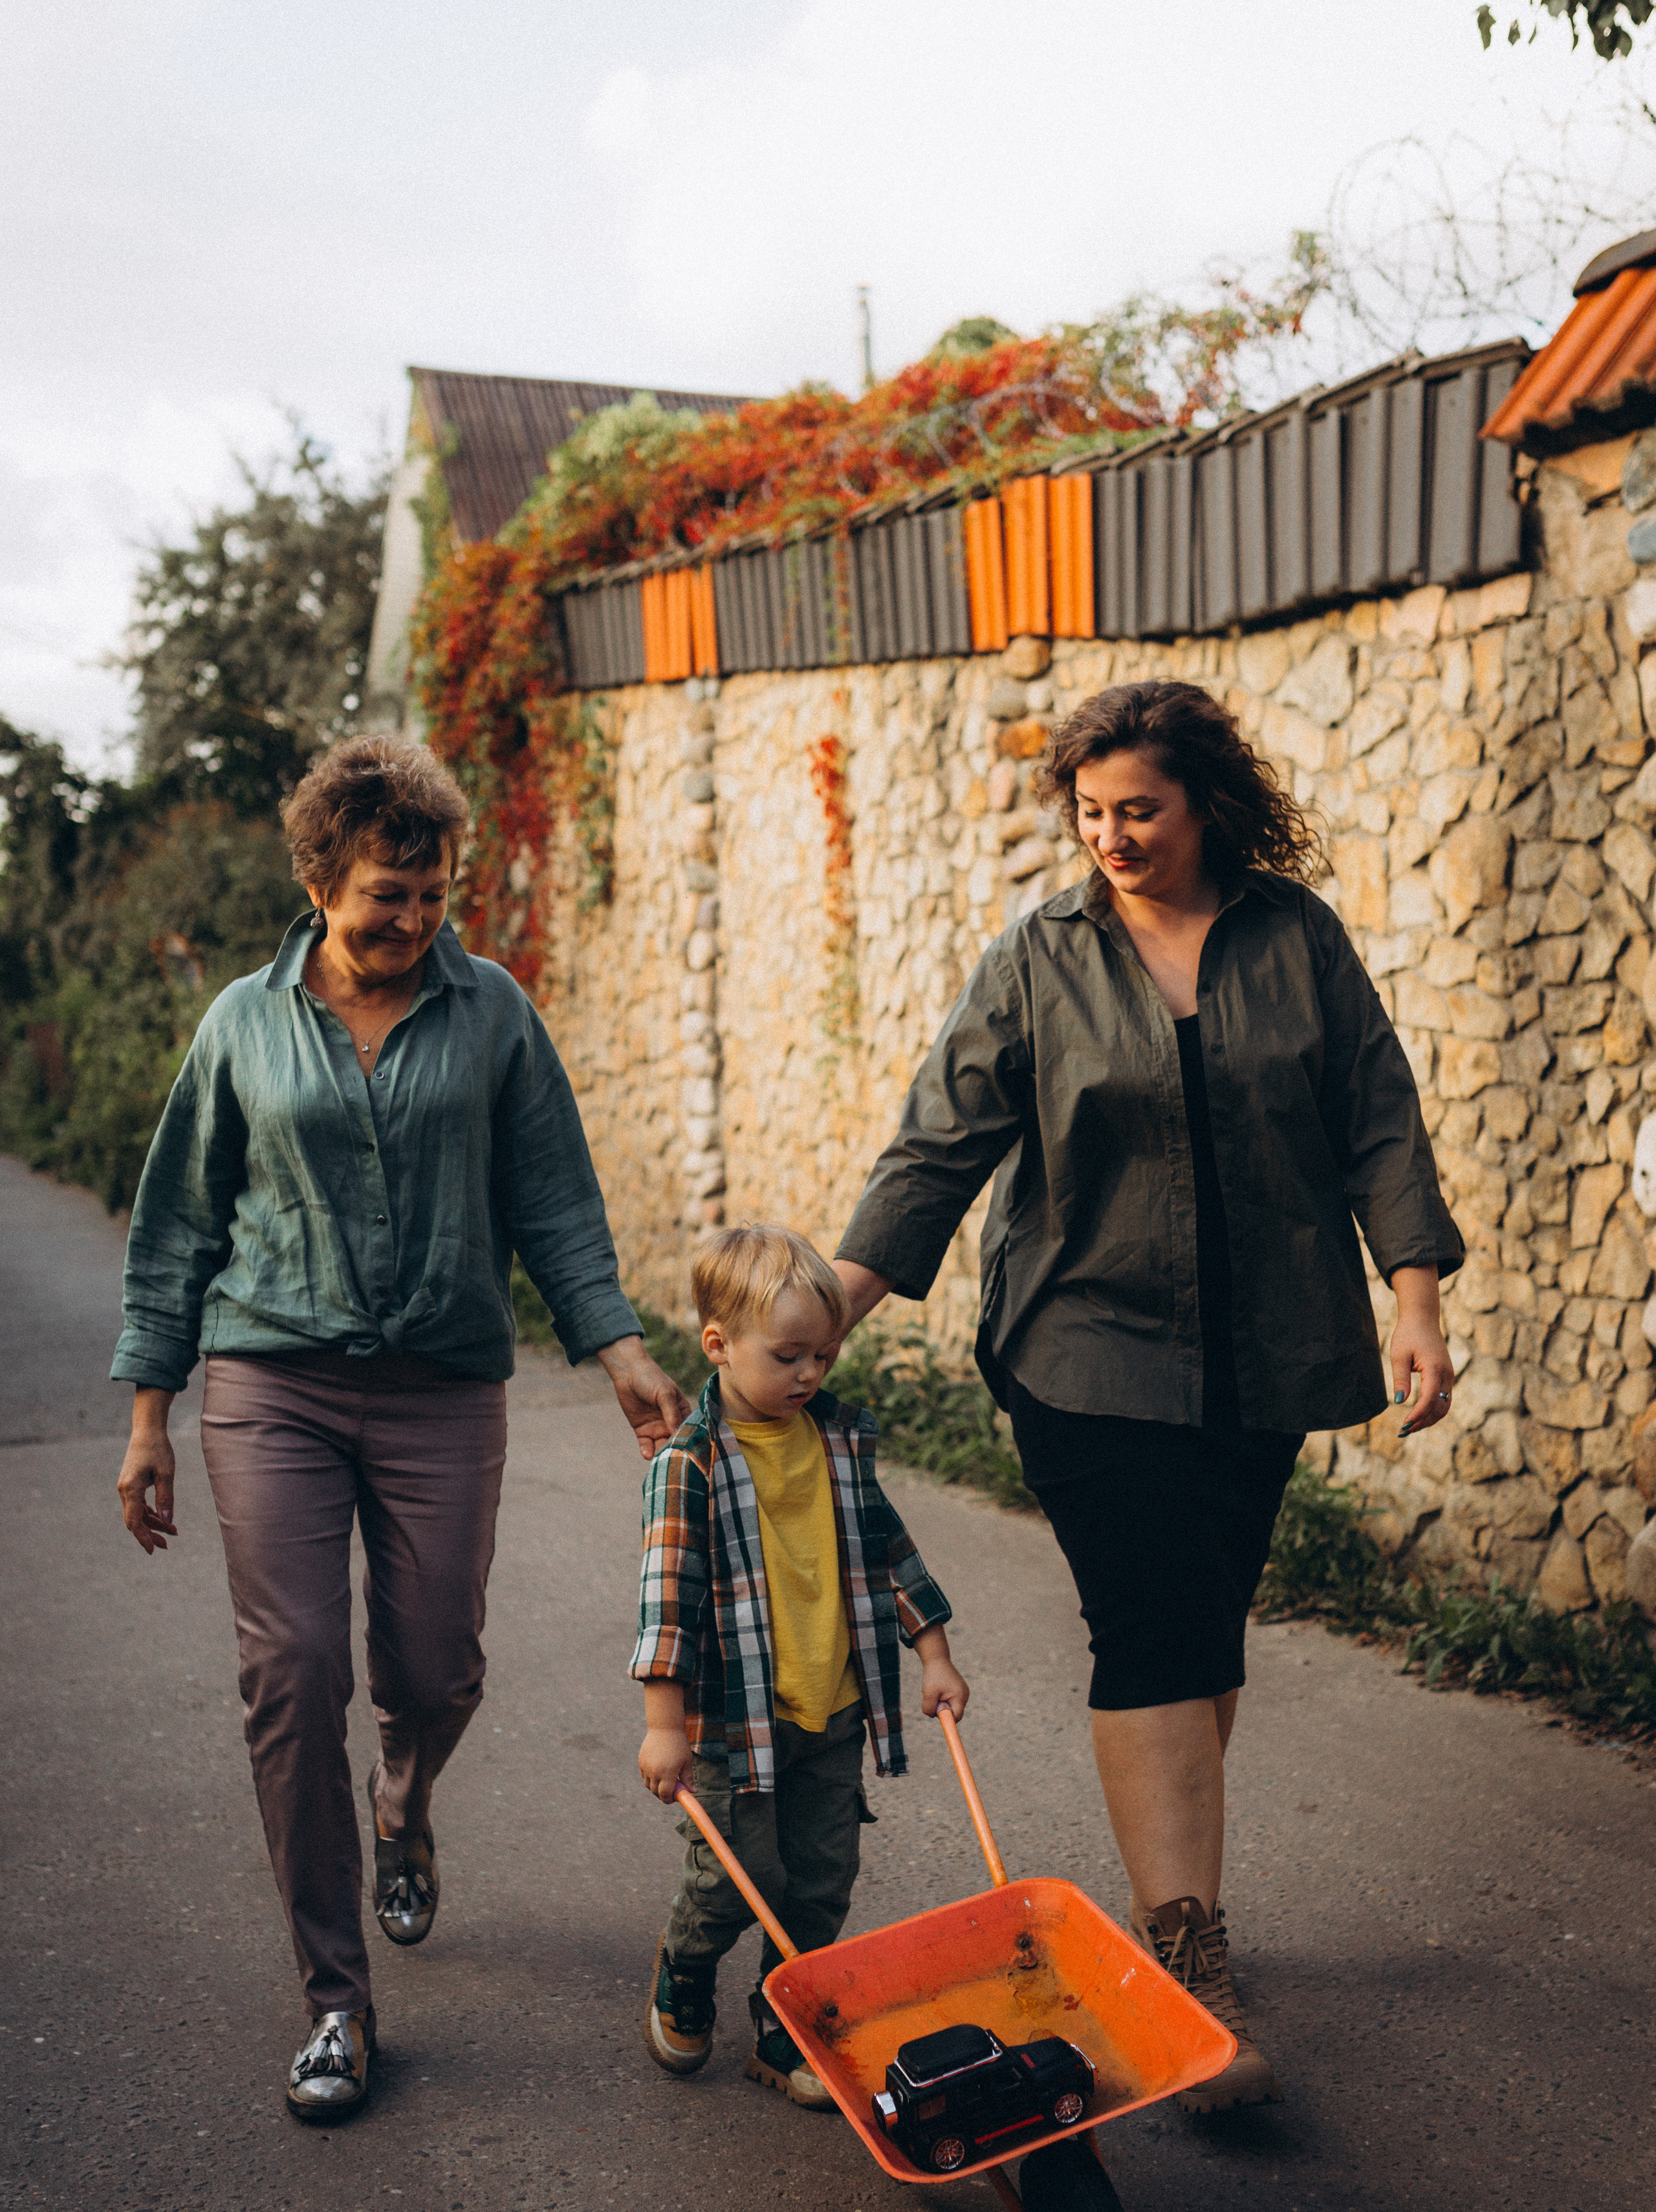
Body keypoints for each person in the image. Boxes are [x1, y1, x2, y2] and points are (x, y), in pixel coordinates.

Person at [832, 681, 1461, 2112]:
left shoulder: (1290, 938)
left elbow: (1374, 1113)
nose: (1110, 838)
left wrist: (1412, 1300)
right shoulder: (1037, 958)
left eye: (1139, 811)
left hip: (1267, 1346)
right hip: (1083, 1343)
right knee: (1150, 1623)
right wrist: (832, 1307)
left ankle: (1175, 1904)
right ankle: (1188, 1957)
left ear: (1205, 808)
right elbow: (939, 1146)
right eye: (1090, 813)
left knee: (1200, 1624)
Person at [113, 735, 690, 2124]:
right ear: (320, 881)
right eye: (387, 895)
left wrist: (615, 1343)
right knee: (294, 1668)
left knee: (435, 1669)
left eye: (433, 896)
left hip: (441, 1382)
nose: (414, 922)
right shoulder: (241, 1028)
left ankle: (404, 1796)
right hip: (273, 1382)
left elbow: (553, 1195)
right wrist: (150, 1412)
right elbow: (179, 1225)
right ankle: (334, 2002)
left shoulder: (490, 1013)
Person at [633, 1224, 968, 2106]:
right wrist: (664, 1726)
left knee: (819, 1886)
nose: (811, 1375)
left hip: (832, 1710)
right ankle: (686, 1967)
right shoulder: (690, 1463)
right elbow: (666, 1601)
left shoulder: (836, 1442)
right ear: (718, 1345)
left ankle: (786, 2031)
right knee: (737, 1883)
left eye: (824, 1354)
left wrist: (931, 1651)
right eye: (789, 1356)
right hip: (732, 1726)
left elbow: (889, 1552)